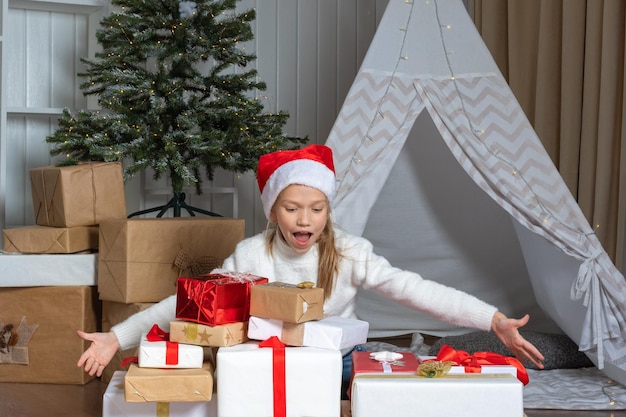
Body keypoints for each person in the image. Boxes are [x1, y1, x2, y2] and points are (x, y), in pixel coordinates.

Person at [78, 144, 545, 384]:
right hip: (269, 363)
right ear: (273, 211)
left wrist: (494, 319)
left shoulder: (349, 253)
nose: (305, 220)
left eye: (316, 209)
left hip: (333, 361)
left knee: (372, 379)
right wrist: (115, 337)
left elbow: (415, 288)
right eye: (292, 208)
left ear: (328, 211)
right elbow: (185, 306)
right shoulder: (250, 256)